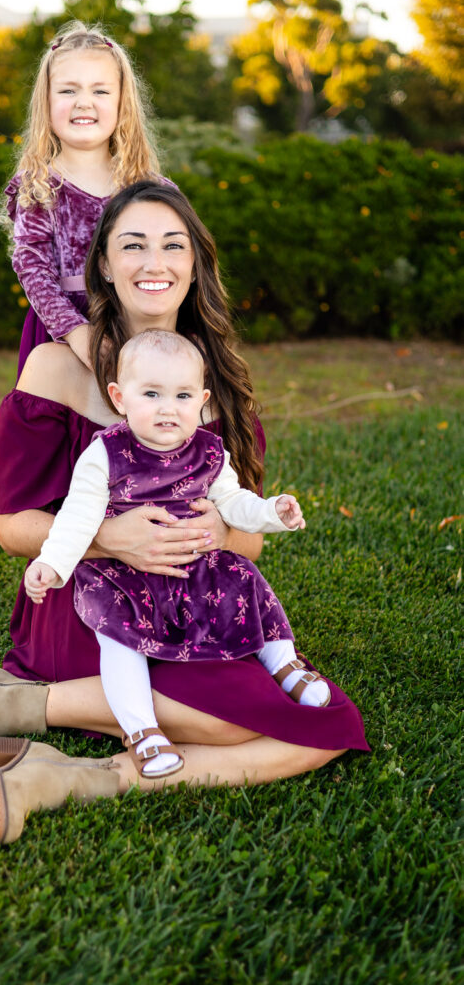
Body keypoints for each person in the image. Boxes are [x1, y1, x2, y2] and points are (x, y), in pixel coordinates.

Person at [0, 181, 368, 846]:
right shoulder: (53, 370)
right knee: (247, 723)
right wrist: (109, 538)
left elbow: (246, 545)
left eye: (172, 245)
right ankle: (19, 698)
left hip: (192, 609)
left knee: (325, 731)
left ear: (195, 263)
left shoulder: (213, 382)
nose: (154, 263)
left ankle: (62, 772)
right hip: (86, 607)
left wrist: (223, 530)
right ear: (103, 265)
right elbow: (14, 530)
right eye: (133, 245)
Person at [24, 328, 328, 780]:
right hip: (125, 577)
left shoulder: (210, 451)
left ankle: (284, 664)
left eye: (183, 395)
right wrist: (52, 562)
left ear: (202, 401)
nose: (169, 408)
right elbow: (78, 518)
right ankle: (142, 731)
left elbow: (234, 502)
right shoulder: (105, 453)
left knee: (247, 583)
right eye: (152, 394)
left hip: (196, 571)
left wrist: (271, 512)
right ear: (120, 397)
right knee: (120, 639)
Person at [0, 21, 163, 377]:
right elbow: (33, 268)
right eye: (68, 91)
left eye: (101, 92)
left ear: (122, 102)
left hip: (140, 320)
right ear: (46, 101)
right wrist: (77, 333)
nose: (84, 103)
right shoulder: (39, 186)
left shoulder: (149, 187)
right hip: (64, 335)